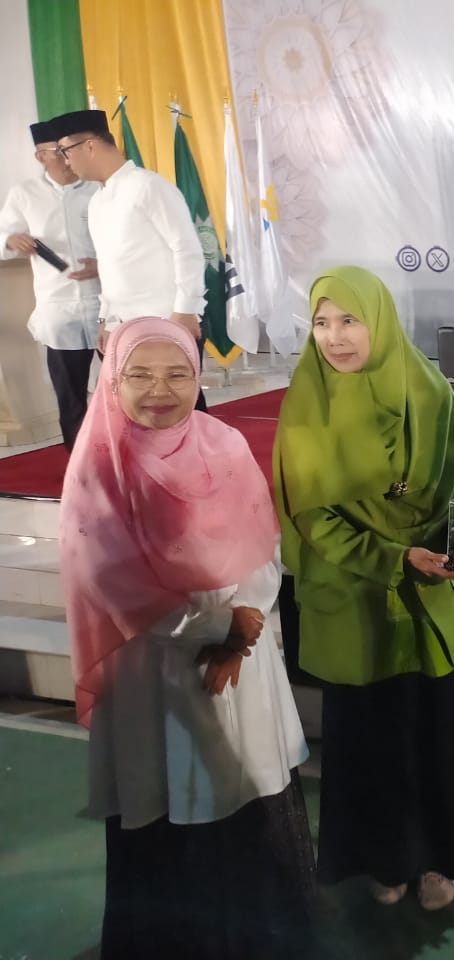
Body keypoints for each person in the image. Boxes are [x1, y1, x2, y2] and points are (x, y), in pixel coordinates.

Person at [59, 317, 313, 960]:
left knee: (245, 798)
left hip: (241, 664)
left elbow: (263, 543)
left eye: (177, 373)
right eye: (138, 374)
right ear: (112, 379)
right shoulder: (99, 466)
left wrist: (242, 629)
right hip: (154, 672)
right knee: (171, 795)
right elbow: (109, 578)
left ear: (198, 377)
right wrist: (212, 628)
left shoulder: (224, 443)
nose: (159, 390)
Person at [273, 265, 454, 911]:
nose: (335, 338)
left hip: (432, 596)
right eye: (322, 322)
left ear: (380, 321)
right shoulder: (308, 401)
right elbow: (310, 516)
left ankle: (439, 861)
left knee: (436, 735)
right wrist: (396, 558)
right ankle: (385, 861)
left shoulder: (428, 389)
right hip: (354, 596)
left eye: (349, 320)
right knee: (370, 740)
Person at [46, 108, 208, 410]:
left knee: (181, 410)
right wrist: (107, 320)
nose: (65, 161)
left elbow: (186, 248)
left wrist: (185, 311)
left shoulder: (148, 186)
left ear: (90, 146)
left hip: (166, 319)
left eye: (66, 151)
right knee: (140, 414)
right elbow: (110, 267)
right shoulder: (98, 201)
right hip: (126, 326)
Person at [0, 119, 100, 449]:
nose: (66, 157)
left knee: (118, 387)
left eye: (68, 149)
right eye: (58, 151)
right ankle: (80, 463)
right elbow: (2, 237)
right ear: (40, 156)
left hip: (107, 303)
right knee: (70, 394)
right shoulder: (24, 193)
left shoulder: (98, 188)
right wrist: (11, 239)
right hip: (58, 308)